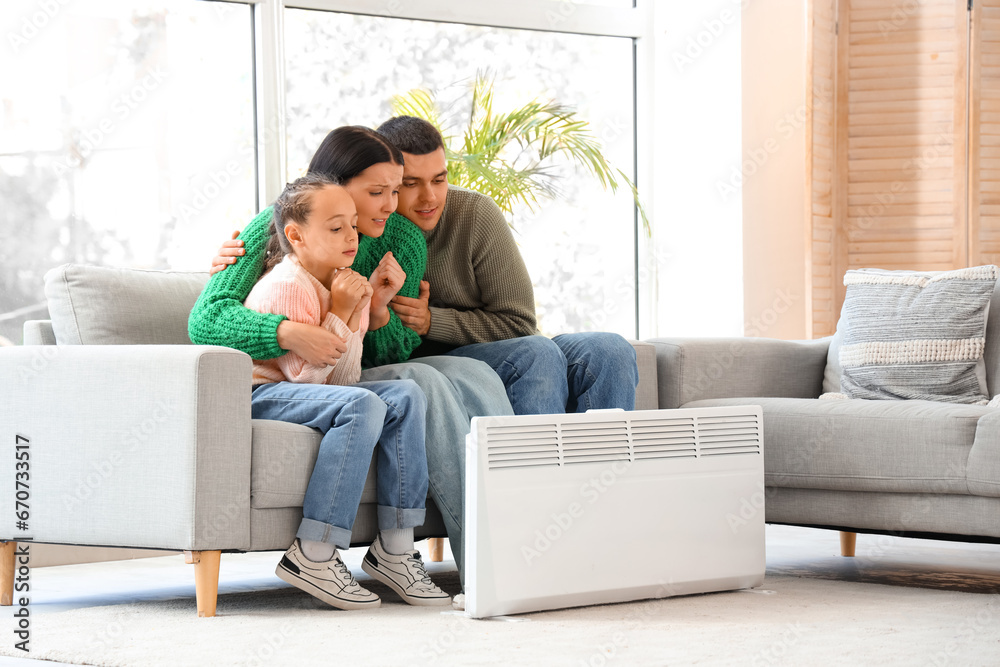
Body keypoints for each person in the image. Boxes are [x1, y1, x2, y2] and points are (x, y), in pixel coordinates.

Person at [190, 126, 512, 588]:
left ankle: (494, 534)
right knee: (426, 383)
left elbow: (394, 347)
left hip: (350, 366)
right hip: (299, 375)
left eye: (395, 190)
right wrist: (288, 332)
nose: (392, 203)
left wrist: (374, 314)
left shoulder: (402, 240)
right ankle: (484, 560)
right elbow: (207, 320)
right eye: (378, 192)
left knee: (473, 373)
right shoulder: (277, 227)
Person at [242, 174, 448, 608]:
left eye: (352, 225)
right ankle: (313, 552)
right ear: (296, 236)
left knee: (406, 394)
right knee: (362, 406)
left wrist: (364, 307)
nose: (351, 236)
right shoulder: (287, 285)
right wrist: (339, 310)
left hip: (308, 389)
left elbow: (344, 377)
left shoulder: (341, 280)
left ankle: (394, 547)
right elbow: (307, 380)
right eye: (336, 228)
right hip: (265, 393)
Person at [376, 115, 640, 415]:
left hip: (501, 350)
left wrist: (432, 321)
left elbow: (519, 323)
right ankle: (536, 462)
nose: (431, 197)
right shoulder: (367, 226)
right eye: (411, 184)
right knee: (536, 354)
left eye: (439, 179)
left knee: (610, 351)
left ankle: (605, 463)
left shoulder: (474, 214)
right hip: (426, 364)